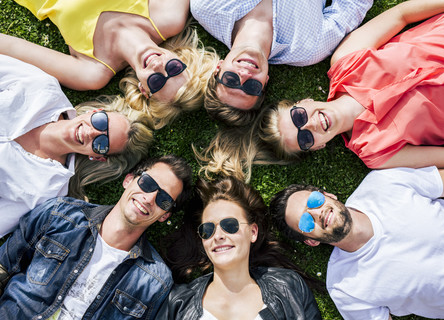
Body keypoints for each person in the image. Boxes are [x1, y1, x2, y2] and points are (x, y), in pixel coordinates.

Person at [260, 0, 444, 169]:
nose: (309, 126)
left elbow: (401, 15)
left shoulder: (345, 60)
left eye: (299, 116)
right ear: (318, 146)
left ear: (304, 102)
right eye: (305, 138)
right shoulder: (376, 153)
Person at [269, 164, 444, 319]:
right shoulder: (345, 288)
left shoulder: (382, 184)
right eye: (306, 221)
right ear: (311, 241)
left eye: (314, 201)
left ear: (328, 194)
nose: (317, 213)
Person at [0, 155, 193, 319]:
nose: (149, 198)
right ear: (128, 180)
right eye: (148, 183)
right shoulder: (60, 215)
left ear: (165, 215)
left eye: (164, 200)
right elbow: (4, 265)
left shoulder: (154, 282)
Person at [0, 54, 154, 238]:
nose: (92, 133)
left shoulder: (47, 189)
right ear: (95, 112)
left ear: (97, 156)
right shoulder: (42, 87)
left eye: (102, 143)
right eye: (100, 122)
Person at [1, 0, 219, 129]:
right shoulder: (168, 17)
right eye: (173, 69)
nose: (159, 67)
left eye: (156, 81)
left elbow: (11, 48)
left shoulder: (92, 72)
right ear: (181, 59)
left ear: (144, 89)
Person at [158, 176, 323, 319]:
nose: (218, 235)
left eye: (230, 225)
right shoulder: (178, 304)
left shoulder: (289, 286)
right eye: (207, 230)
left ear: (253, 232)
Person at [191, 0, 373, 126]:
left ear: (218, 68)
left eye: (230, 80)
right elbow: (354, 4)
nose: (244, 75)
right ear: (265, 82)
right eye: (252, 87)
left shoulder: (207, 7)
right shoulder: (308, 48)